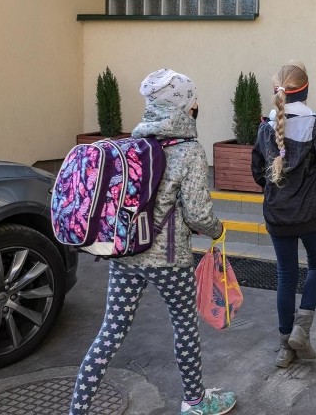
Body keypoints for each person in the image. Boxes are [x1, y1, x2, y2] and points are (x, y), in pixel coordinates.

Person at [69, 69, 237, 415]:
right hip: (168, 261)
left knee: (110, 332)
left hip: (126, 253)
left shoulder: (134, 145)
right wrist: (218, 231)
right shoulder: (188, 151)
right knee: (185, 328)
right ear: (186, 107)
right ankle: (194, 401)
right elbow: (198, 214)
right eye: (194, 101)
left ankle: (78, 408)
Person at [251, 63, 316, 368]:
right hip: (311, 214)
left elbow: (257, 173)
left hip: (277, 215)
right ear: (305, 90)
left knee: (285, 275)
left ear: (275, 91)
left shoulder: (265, 128)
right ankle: (301, 330)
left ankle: (284, 346)